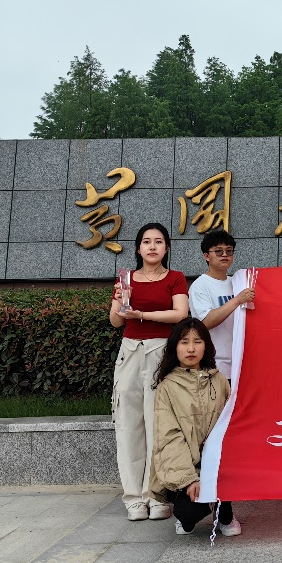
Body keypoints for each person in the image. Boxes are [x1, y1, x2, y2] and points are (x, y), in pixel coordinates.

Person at [108, 222, 189, 522]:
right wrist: (120, 302)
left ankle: (156, 496)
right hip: (130, 351)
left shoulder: (175, 278)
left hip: (161, 352)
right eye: (146, 241)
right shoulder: (126, 279)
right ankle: (133, 498)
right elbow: (116, 322)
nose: (152, 246)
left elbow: (180, 314)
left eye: (158, 241)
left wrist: (141, 314)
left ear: (166, 248)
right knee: (129, 425)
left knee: (159, 425)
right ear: (138, 248)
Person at [149, 317, 241, 537]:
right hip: (186, 467)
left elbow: (232, 424)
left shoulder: (219, 380)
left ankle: (224, 511)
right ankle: (190, 511)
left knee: (224, 507)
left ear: (206, 346)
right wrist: (189, 480)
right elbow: (169, 438)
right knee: (189, 514)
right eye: (184, 342)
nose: (191, 348)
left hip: (217, 465)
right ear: (175, 347)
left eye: (197, 341)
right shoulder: (167, 388)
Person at [188, 230, 255, 381]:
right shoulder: (200, 285)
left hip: (241, 361)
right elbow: (205, 322)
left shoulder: (237, 283)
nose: (225, 255)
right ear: (207, 256)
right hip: (214, 362)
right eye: (218, 251)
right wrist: (237, 300)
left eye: (229, 251)